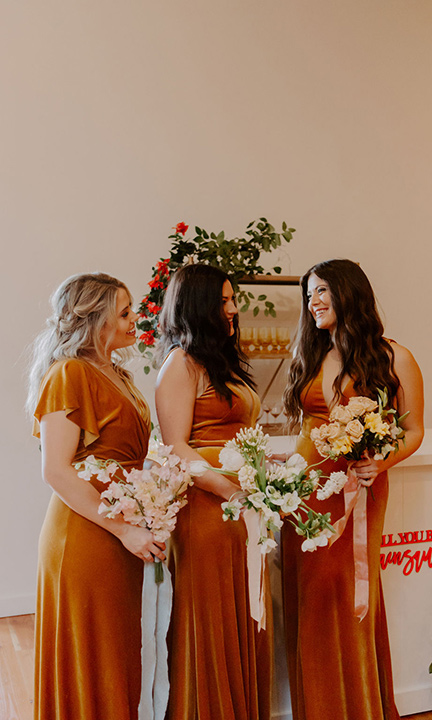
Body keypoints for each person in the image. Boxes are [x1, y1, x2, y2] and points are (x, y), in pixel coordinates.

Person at [282, 259, 424, 720]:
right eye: (309, 294)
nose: (313, 301)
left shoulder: (394, 356)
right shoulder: (311, 352)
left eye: (322, 290)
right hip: (304, 491)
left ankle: (356, 706)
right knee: (310, 596)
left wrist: (381, 461)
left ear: (349, 293)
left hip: (358, 486)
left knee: (346, 593)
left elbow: (414, 428)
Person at [27, 272, 165, 720]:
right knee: (93, 651)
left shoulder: (117, 372)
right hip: (87, 533)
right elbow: (56, 470)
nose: (134, 319)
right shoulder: (69, 373)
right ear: (96, 319)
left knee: (118, 649)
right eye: (124, 312)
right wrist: (123, 528)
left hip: (117, 528)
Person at [155, 263, 273, 720]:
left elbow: (239, 431)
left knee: (243, 611)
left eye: (232, 299)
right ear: (199, 306)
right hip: (207, 507)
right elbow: (175, 447)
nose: (233, 309)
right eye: (223, 301)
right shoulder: (179, 364)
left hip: (242, 505)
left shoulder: (219, 362)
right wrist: (229, 490)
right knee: (210, 619)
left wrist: (266, 467)